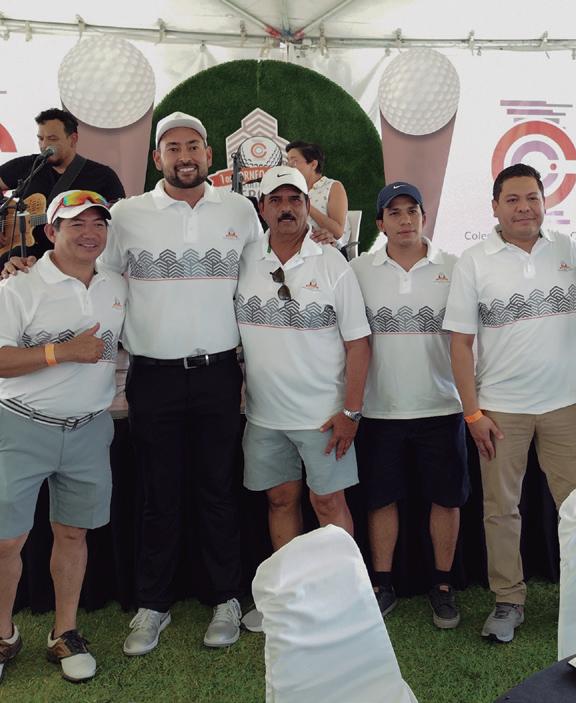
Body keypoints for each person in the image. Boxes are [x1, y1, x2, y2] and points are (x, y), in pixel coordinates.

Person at [98, 112, 262, 655]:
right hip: (153, 377)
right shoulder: (126, 215)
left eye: (193, 146)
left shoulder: (239, 210)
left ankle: (227, 598)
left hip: (218, 375)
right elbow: (100, 275)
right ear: (157, 158)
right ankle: (153, 605)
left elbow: (264, 275)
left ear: (209, 155)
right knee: (158, 494)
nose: (184, 156)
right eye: (173, 148)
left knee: (219, 490)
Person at [443, 163, 576, 643]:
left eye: (532, 198)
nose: (524, 208)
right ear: (495, 207)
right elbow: (460, 344)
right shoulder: (474, 261)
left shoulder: (570, 250)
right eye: (512, 199)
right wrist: (472, 413)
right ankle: (508, 600)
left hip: (567, 405)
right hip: (500, 410)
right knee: (501, 510)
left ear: (545, 203)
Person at [0, 190, 125, 683]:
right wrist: (62, 352)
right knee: (6, 541)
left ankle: (65, 633)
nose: (90, 233)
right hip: (20, 425)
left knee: (73, 533)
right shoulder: (18, 286)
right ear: (51, 231)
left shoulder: (115, 284)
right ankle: (4, 636)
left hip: (89, 428)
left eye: (98, 224)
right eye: (77, 224)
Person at [350, 182, 469, 629]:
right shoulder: (358, 270)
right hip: (379, 409)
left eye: (412, 211)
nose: (404, 220)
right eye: (394, 213)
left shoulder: (454, 267)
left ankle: (443, 584)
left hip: (442, 406)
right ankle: (382, 584)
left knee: (446, 499)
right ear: (380, 223)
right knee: (381, 499)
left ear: (424, 217)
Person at [236, 165, 370, 550]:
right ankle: (290, 587)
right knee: (280, 500)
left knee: (328, 503)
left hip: (323, 417)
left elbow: (359, 344)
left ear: (308, 206)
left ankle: (343, 586)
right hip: (264, 416)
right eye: (276, 200)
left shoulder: (332, 263)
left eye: (295, 199)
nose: (286, 208)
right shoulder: (244, 260)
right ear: (262, 208)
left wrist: (351, 413)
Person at [0, 108, 125, 263]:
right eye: (40, 139)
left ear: (73, 139)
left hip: (72, 260)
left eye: (52, 139)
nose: (44, 145)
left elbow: (119, 219)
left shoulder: (103, 176)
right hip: (21, 257)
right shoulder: (28, 165)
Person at [285, 141, 350, 245]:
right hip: (295, 247)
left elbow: (337, 232)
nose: (289, 166)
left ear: (313, 164)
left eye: (294, 161)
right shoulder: (290, 190)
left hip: (327, 249)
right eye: (288, 161)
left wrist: (306, 205)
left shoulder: (333, 187)